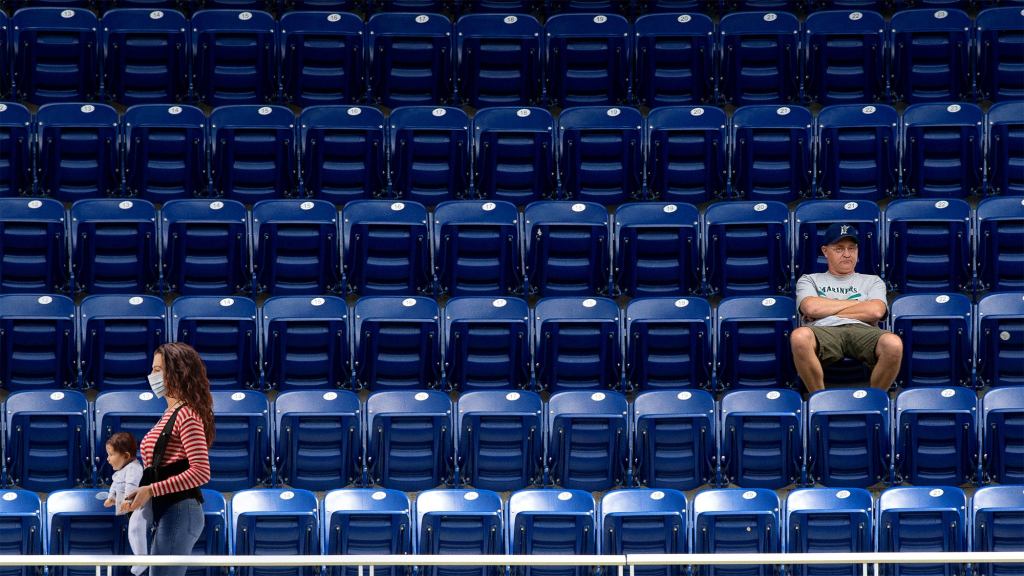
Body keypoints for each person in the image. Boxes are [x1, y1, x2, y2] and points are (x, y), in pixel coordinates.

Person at [125, 342, 214, 576]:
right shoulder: (171, 413)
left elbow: (201, 471)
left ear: (176, 372)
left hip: (180, 510)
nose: (151, 375)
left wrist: (152, 490)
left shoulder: (186, 415)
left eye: (157, 370)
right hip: (169, 510)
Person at [791, 222, 903, 393]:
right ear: (825, 251)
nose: (847, 254)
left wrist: (826, 307)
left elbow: (876, 311)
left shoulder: (872, 280)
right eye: (839, 249)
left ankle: (874, 399)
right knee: (799, 336)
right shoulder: (809, 279)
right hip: (823, 330)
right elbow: (811, 308)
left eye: (852, 248)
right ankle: (818, 397)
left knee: (893, 343)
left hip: (863, 330)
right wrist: (860, 306)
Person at [104, 432, 151, 576]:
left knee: (136, 531)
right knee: (133, 532)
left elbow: (132, 485)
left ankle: (142, 560)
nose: (108, 459)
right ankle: (140, 559)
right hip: (133, 509)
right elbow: (115, 485)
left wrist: (128, 500)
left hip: (141, 506)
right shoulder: (121, 471)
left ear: (125, 456)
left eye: (111, 455)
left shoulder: (134, 468)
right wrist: (111, 497)